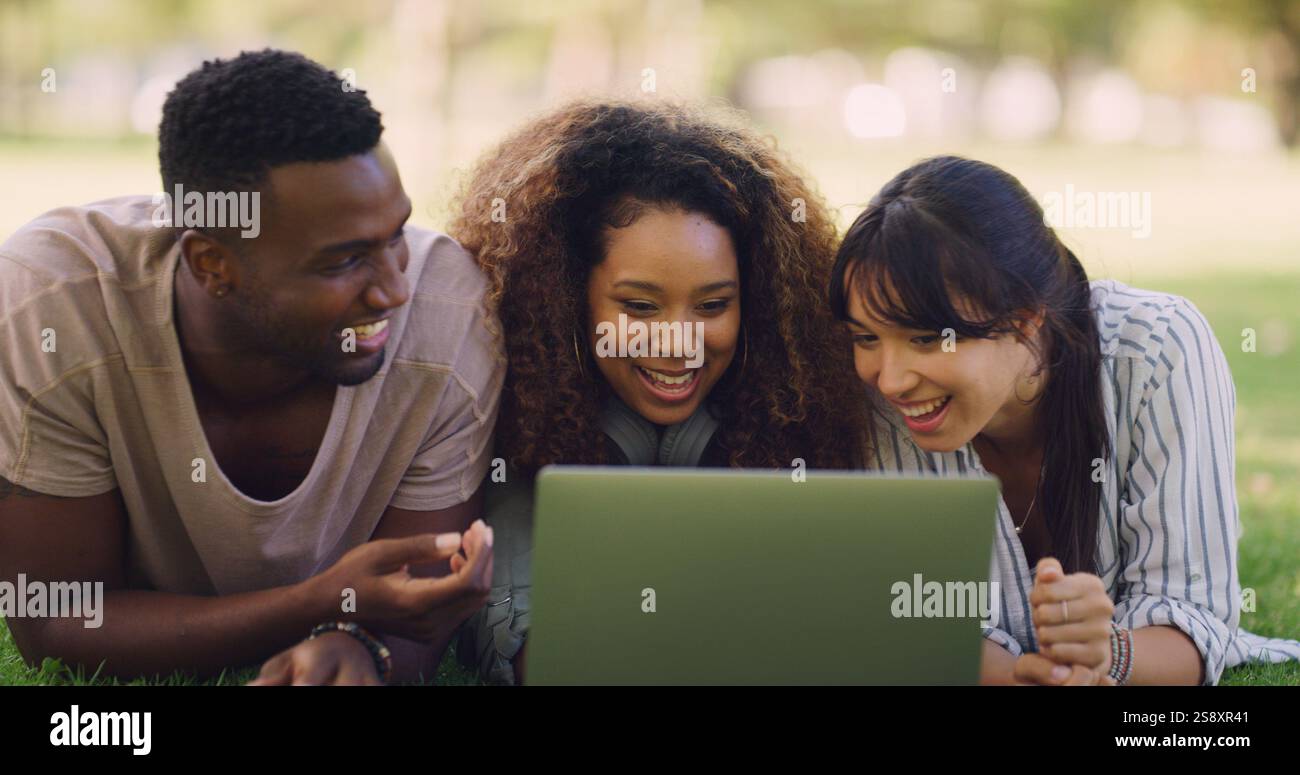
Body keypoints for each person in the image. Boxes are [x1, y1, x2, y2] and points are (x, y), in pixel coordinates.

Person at [0, 49, 501, 686]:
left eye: (395, 235)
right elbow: (54, 626)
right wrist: (320, 603)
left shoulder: (448, 316)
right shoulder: (56, 305)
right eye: (343, 261)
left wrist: (361, 650)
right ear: (212, 264)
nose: (393, 290)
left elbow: (416, 607)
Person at [829, 155, 1300, 685]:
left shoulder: (1159, 351)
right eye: (865, 337)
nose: (889, 379)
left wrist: (1107, 656)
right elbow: (933, 629)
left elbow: (1193, 620)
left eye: (924, 338)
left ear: (1027, 317)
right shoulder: (879, 403)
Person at [453, 98, 871, 684]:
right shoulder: (513, 407)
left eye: (712, 305)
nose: (679, 343)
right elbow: (523, 635)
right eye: (640, 307)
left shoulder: (797, 407)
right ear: (569, 296)